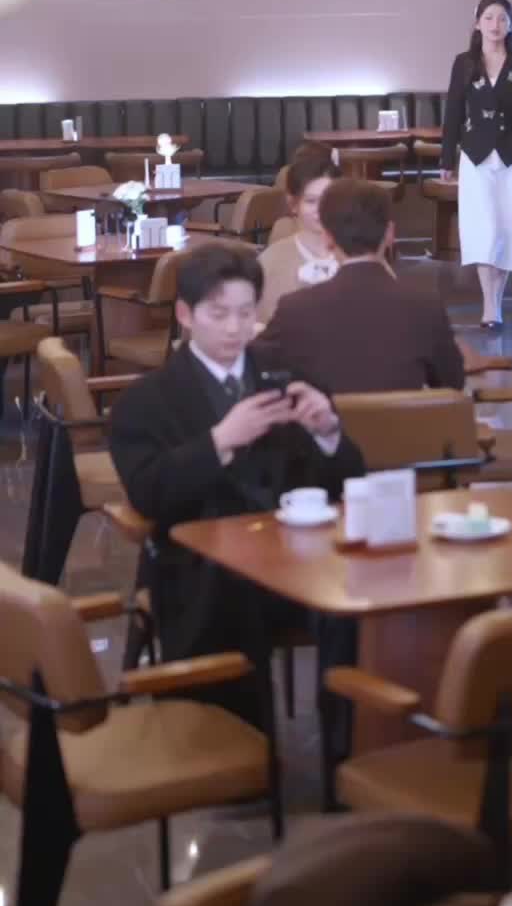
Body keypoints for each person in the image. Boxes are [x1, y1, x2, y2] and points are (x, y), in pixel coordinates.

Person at [109, 242, 366, 713]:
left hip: (297, 559)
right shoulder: (146, 401)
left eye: (246, 313)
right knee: (229, 601)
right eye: (219, 314)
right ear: (185, 314)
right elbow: (148, 493)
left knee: (363, 597)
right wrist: (219, 441)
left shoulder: (287, 380)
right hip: (205, 569)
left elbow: (349, 484)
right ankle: (237, 743)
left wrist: (328, 432)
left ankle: (351, 744)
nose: (235, 328)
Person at [257, 177, 465, 394]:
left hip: (325, 416)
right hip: (398, 417)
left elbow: (254, 369)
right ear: (390, 234)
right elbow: (452, 385)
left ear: (327, 237)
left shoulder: (294, 308)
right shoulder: (426, 307)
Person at [440, 0, 512, 328]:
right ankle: (489, 305)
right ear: (477, 23)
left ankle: (497, 301)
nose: (495, 24)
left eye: (502, 18)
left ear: (510, 25)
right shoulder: (464, 63)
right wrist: (446, 158)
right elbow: (453, 111)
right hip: (475, 157)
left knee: (508, 229)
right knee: (484, 230)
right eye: (488, 17)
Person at [257, 143, 341, 322]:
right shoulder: (271, 262)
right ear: (294, 204)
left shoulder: (358, 255)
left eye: (330, 199)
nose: (321, 209)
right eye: (311, 201)